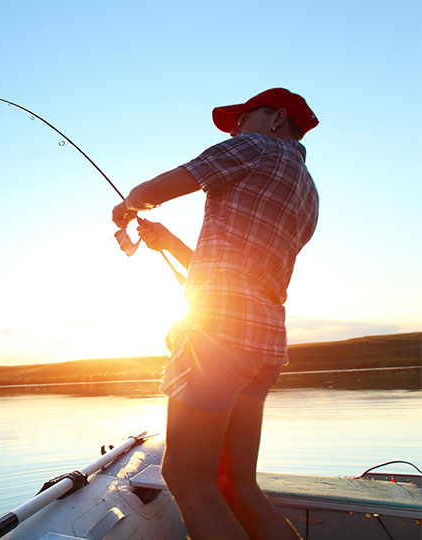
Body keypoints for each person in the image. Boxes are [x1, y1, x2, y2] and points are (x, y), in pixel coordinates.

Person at [112, 88, 319, 539]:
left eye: (243, 118)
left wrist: (127, 206)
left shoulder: (255, 146)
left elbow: (150, 193)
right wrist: (168, 243)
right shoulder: (308, 191)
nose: (236, 128)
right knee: (238, 484)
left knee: (187, 478)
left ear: (276, 118)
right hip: (263, 344)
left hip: (218, 338)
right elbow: (239, 273)